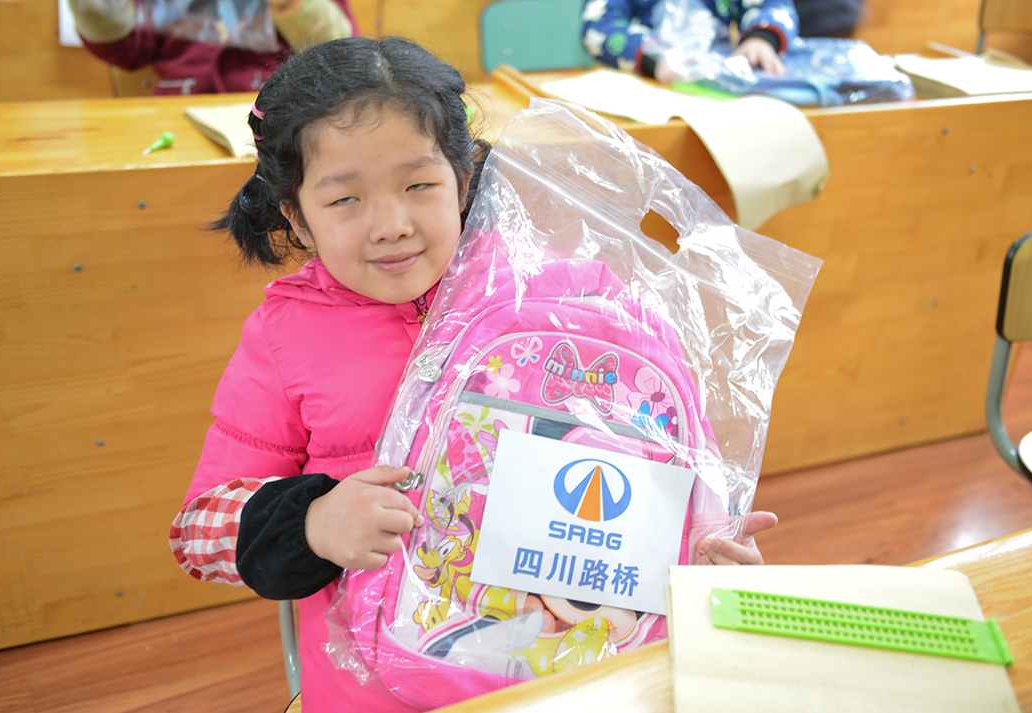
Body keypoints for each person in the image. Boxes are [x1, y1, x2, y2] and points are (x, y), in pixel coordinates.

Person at [168, 36, 779, 712]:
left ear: (462, 182)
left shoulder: (576, 300)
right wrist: (313, 521)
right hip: (372, 688)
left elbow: (659, 465)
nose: (391, 224)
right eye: (345, 200)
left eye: (418, 185)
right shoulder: (284, 338)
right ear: (297, 218)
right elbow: (197, 533)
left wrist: (703, 542)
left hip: (574, 676)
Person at [67, 0, 356, 94]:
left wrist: (291, 6)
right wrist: (97, 11)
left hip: (276, 109)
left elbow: (338, 48)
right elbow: (130, 50)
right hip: (181, 107)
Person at [582, 0, 799, 84]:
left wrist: (761, 38)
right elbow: (598, 25)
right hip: (645, 83)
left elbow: (774, 5)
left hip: (717, 79)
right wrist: (652, 58)